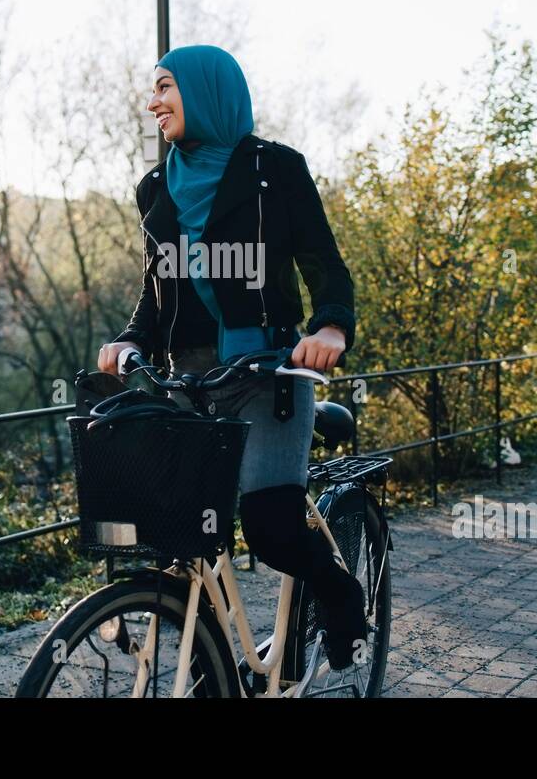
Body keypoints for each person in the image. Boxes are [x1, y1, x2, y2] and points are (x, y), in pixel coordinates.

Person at [96, 45, 367, 670]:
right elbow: (156, 292)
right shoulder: (157, 186)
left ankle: (340, 595)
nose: (152, 101)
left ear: (207, 92)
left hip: (267, 374)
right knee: (179, 538)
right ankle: (212, 670)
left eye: (165, 87)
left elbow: (325, 266)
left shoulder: (278, 170)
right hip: (187, 382)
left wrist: (329, 329)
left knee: (270, 530)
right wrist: (131, 339)